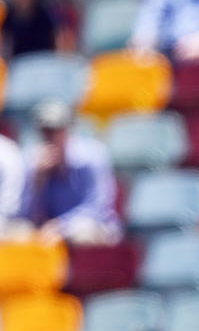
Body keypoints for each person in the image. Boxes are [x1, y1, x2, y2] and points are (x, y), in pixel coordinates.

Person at [6, 100, 121, 245]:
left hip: (95, 227)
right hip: (49, 230)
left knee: (81, 233)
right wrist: (38, 181)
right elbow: (27, 215)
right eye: (45, 130)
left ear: (68, 130)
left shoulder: (93, 157)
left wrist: (62, 225)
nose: (51, 136)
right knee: (14, 234)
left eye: (56, 130)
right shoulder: (33, 162)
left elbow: (97, 207)